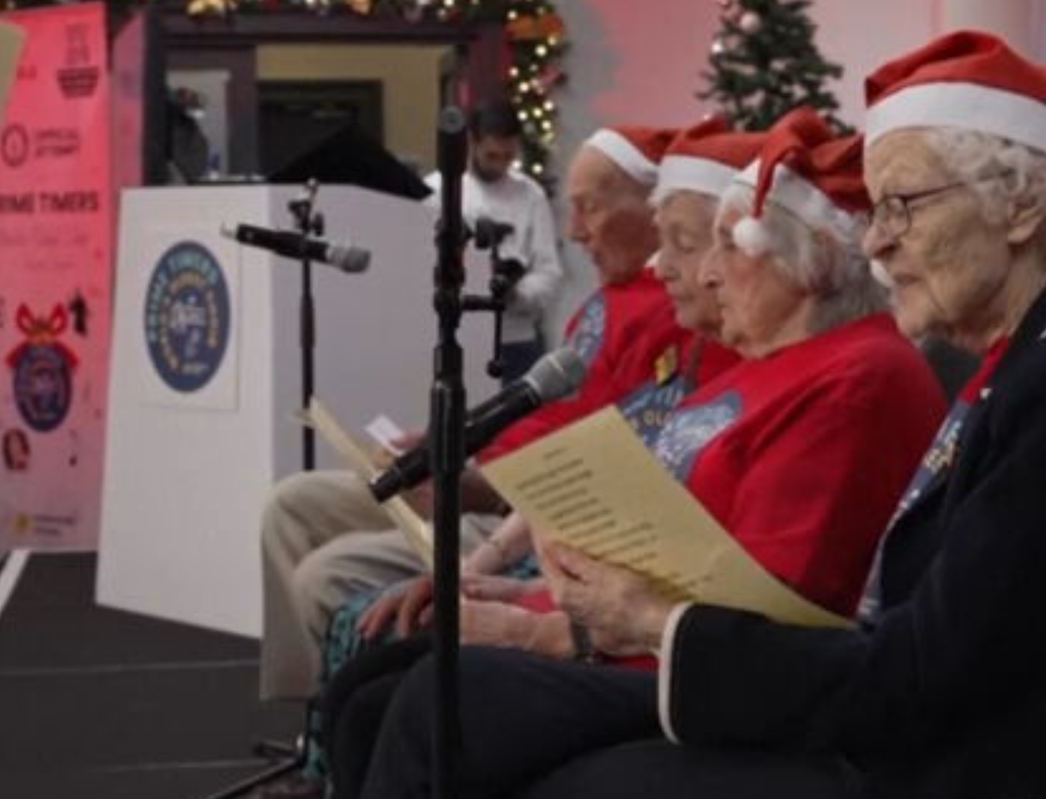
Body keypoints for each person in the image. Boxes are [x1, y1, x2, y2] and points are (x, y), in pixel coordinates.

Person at [541, 31, 1046, 799]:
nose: (876, 243)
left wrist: (656, 624)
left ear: (1021, 204)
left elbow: (923, 674)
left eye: (902, 207)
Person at [354, 106, 951, 799]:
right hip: (641, 646)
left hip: (695, 680)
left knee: (447, 694)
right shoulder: (766, 362)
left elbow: (777, 602)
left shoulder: (860, 375)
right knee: (379, 688)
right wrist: (533, 592)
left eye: (729, 247)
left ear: (807, 259)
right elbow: (658, 544)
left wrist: (544, 631)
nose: (703, 277)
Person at [257, 124, 679, 703]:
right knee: (292, 503)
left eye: (589, 209)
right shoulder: (612, 299)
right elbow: (544, 413)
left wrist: (468, 488)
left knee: (326, 574)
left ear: (656, 212)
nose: (575, 231)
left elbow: (591, 470)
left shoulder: (669, 316)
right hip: (487, 479)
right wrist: (445, 442)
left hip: (516, 509)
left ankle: (330, 732)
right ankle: (308, 709)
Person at [423, 101, 563, 383]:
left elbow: (549, 273)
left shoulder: (530, 194)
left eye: (508, 156)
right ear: (472, 142)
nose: (500, 164)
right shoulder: (437, 191)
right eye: (491, 155)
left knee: (522, 427)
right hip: (454, 334)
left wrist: (515, 293)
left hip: (517, 338)